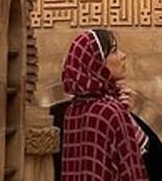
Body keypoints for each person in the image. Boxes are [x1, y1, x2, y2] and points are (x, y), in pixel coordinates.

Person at [59, 28, 149, 181]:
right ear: (96, 63)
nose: (123, 55)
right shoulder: (110, 111)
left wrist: (124, 112)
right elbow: (131, 170)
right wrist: (121, 113)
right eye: (114, 51)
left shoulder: (72, 111)